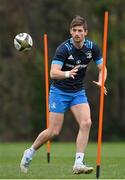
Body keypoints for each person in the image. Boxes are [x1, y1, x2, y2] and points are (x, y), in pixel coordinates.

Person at [20, 15, 107, 174]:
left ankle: (78, 163)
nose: (77, 33)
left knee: (86, 123)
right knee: (53, 131)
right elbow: (53, 73)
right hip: (59, 92)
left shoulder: (92, 48)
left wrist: (102, 81)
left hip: (77, 92)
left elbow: (103, 68)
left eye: (80, 30)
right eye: (74, 30)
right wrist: (67, 74)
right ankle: (30, 152)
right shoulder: (64, 48)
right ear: (70, 31)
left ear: (85, 32)